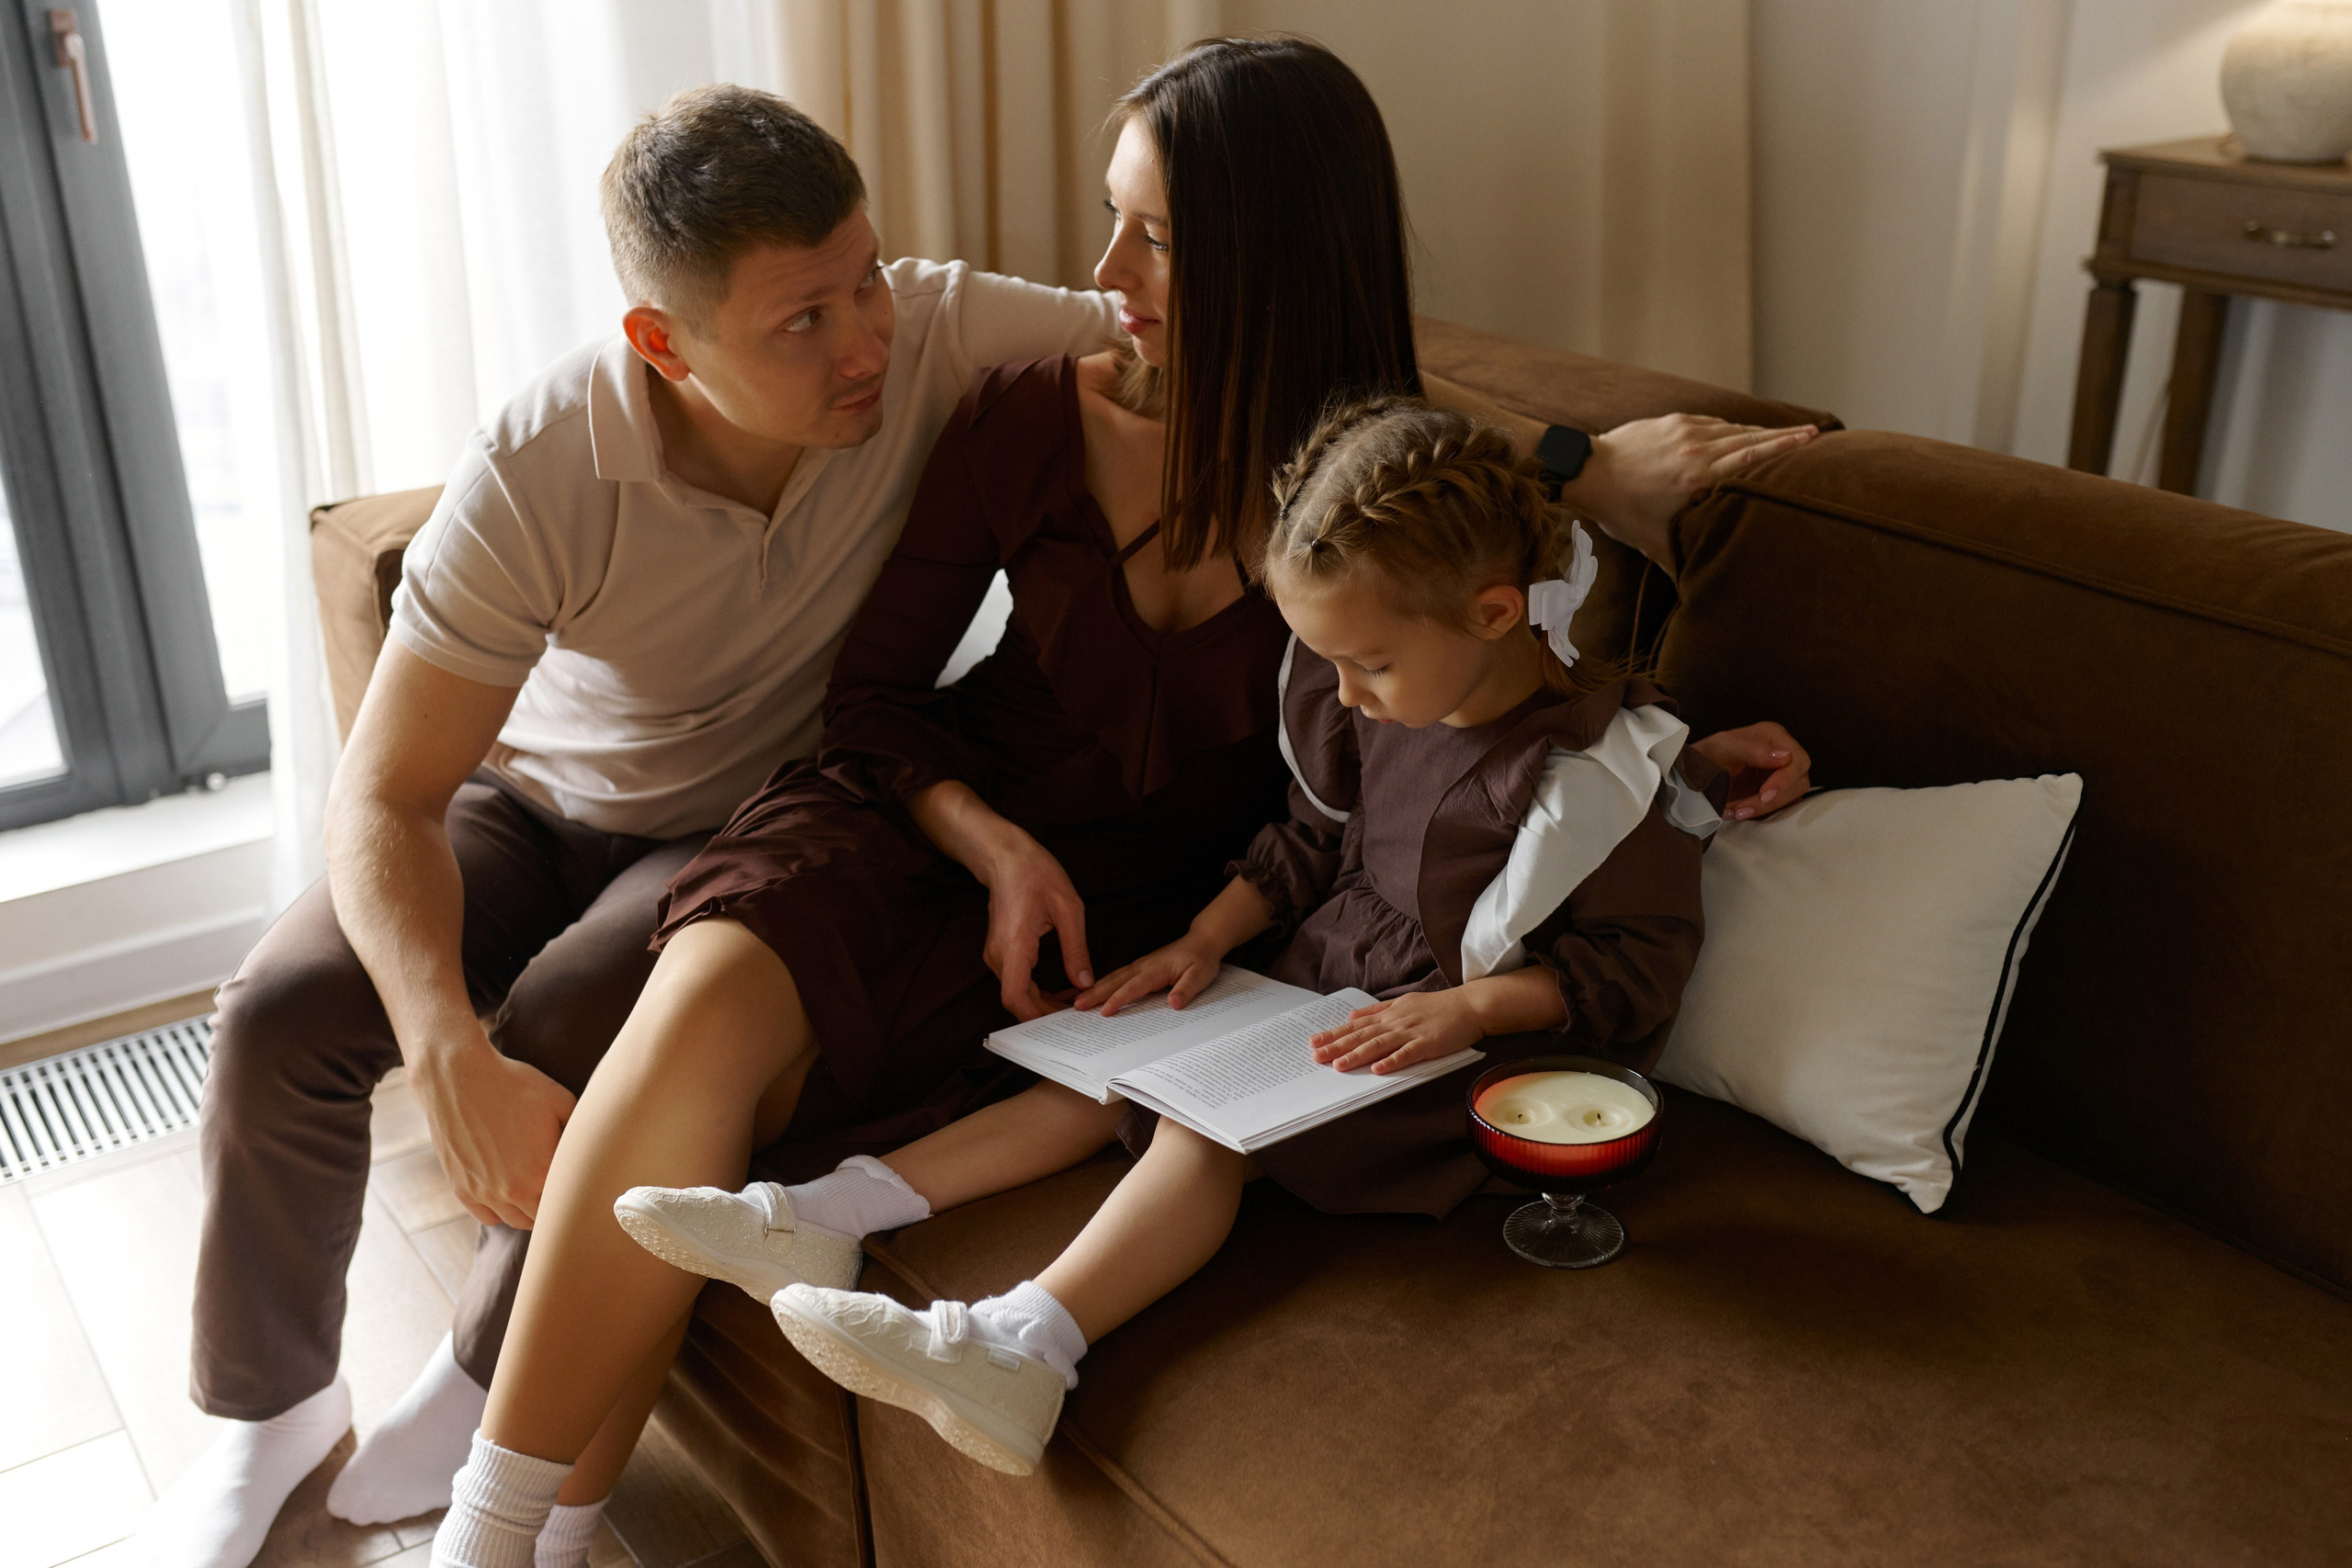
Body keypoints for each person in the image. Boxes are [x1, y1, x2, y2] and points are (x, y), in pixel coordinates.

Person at [427, 39, 1814, 1566]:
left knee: (781, 1065)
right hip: (940, 808)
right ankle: (494, 1539)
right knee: (715, 983)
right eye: (1116, 218)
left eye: (1153, 235)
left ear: (1279, 259)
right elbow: (875, 699)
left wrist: (1674, 741)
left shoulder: (1378, 503)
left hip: (1163, 902)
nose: (1104, 268)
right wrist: (991, 838)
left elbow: (1492, 714)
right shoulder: (1028, 409)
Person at [141, 86, 1132, 1568]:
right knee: (281, 1012)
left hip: (754, 818)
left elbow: (1204, 317)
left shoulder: (928, 329)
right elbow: (390, 791)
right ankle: (266, 1414)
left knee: (578, 1016)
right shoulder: (542, 462)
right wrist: (438, 1046)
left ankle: (479, 1374)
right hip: (537, 799)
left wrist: (1581, 456)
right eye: (801, 320)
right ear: (661, 342)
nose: (864, 341)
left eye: (865, 277)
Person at [627, 394, 1721, 1475]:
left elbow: (1634, 967)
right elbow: (1313, 838)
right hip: (1322, 983)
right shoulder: (1391, 702)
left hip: (1445, 1046)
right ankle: (825, 1212)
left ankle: (1027, 1346)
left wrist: (1473, 1006)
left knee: (1198, 1119)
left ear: (1492, 614)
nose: (1345, 694)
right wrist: (1206, 938)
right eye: (1329, 664)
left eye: (1370, 665)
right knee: (1118, 1049)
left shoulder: (1596, 778)